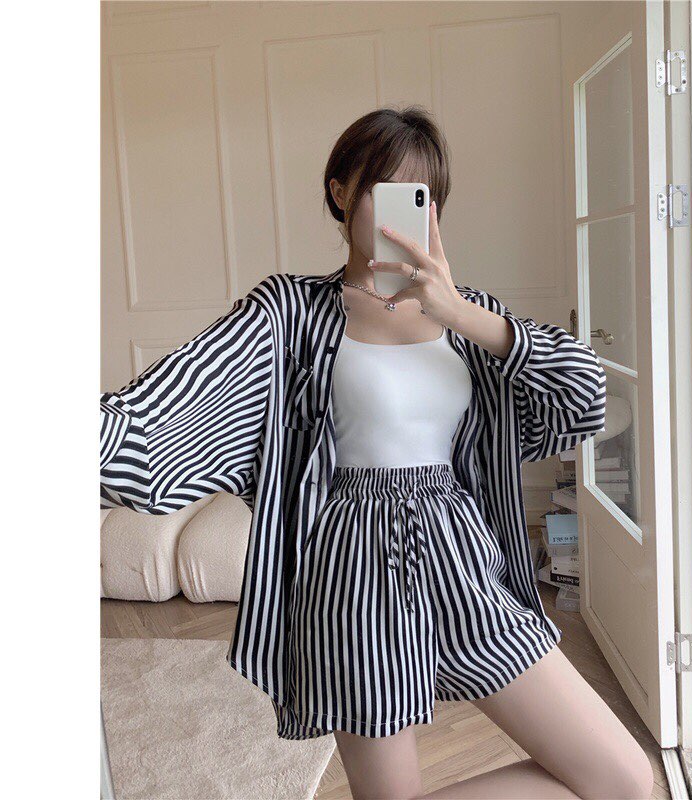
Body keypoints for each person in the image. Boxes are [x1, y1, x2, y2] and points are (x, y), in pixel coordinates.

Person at [101, 106, 654, 800]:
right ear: (341, 191)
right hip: (350, 567)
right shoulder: (292, 313)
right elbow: (164, 402)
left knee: (624, 779)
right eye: (384, 190)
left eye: (420, 196)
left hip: (461, 555)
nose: (402, 215)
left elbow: (584, 392)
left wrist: (457, 312)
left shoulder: (469, 313)